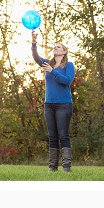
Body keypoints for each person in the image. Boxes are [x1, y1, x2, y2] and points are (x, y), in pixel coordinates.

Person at [30, 33, 75, 172]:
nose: (55, 48)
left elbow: (67, 81)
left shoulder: (68, 65)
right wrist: (34, 43)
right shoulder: (48, 63)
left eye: (58, 47)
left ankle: (66, 167)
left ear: (64, 51)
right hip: (49, 104)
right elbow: (36, 57)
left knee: (63, 134)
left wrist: (53, 72)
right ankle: (52, 167)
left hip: (63, 104)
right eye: (54, 47)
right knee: (52, 135)